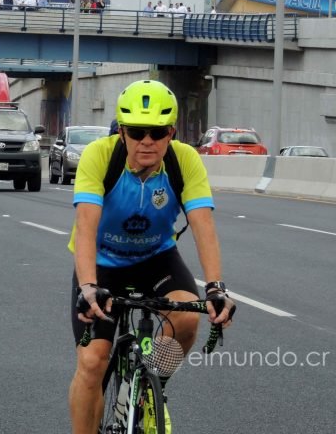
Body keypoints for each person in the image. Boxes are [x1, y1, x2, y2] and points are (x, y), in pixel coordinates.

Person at [68, 79, 235, 434]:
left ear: (171, 132)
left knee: (188, 318)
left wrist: (217, 287)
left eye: (158, 132)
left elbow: (203, 224)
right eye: (138, 131)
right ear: (123, 132)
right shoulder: (100, 155)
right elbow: (85, 226)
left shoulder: (184, 160)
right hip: (102, 265)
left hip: (156, 259)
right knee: (93, 361)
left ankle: (146, 389)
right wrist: (87, 286)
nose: (148, 140)